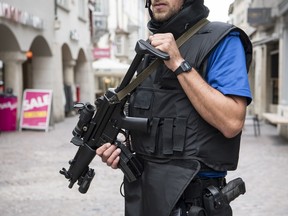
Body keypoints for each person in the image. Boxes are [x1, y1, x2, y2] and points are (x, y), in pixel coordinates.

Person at [96, 0, 252, 215]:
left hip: (193, 201)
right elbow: (158, 120)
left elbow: (232, 122)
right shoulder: (149, 50)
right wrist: (124, 148)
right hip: (144, 197)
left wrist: (179, 63)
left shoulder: (222, 40)